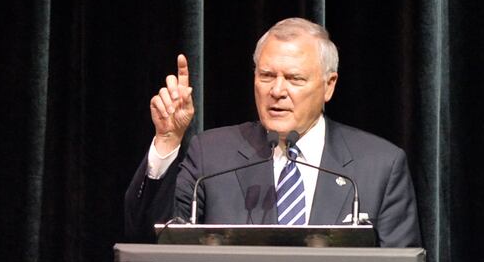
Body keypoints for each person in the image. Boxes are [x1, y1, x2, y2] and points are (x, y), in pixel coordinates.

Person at [125, 17, 421, 247]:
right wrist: (167, 140)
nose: (277, 91)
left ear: (328, 85)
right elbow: (154, 239)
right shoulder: (212, 155)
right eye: (266, 76)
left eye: (294, 78)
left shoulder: (380, 166)